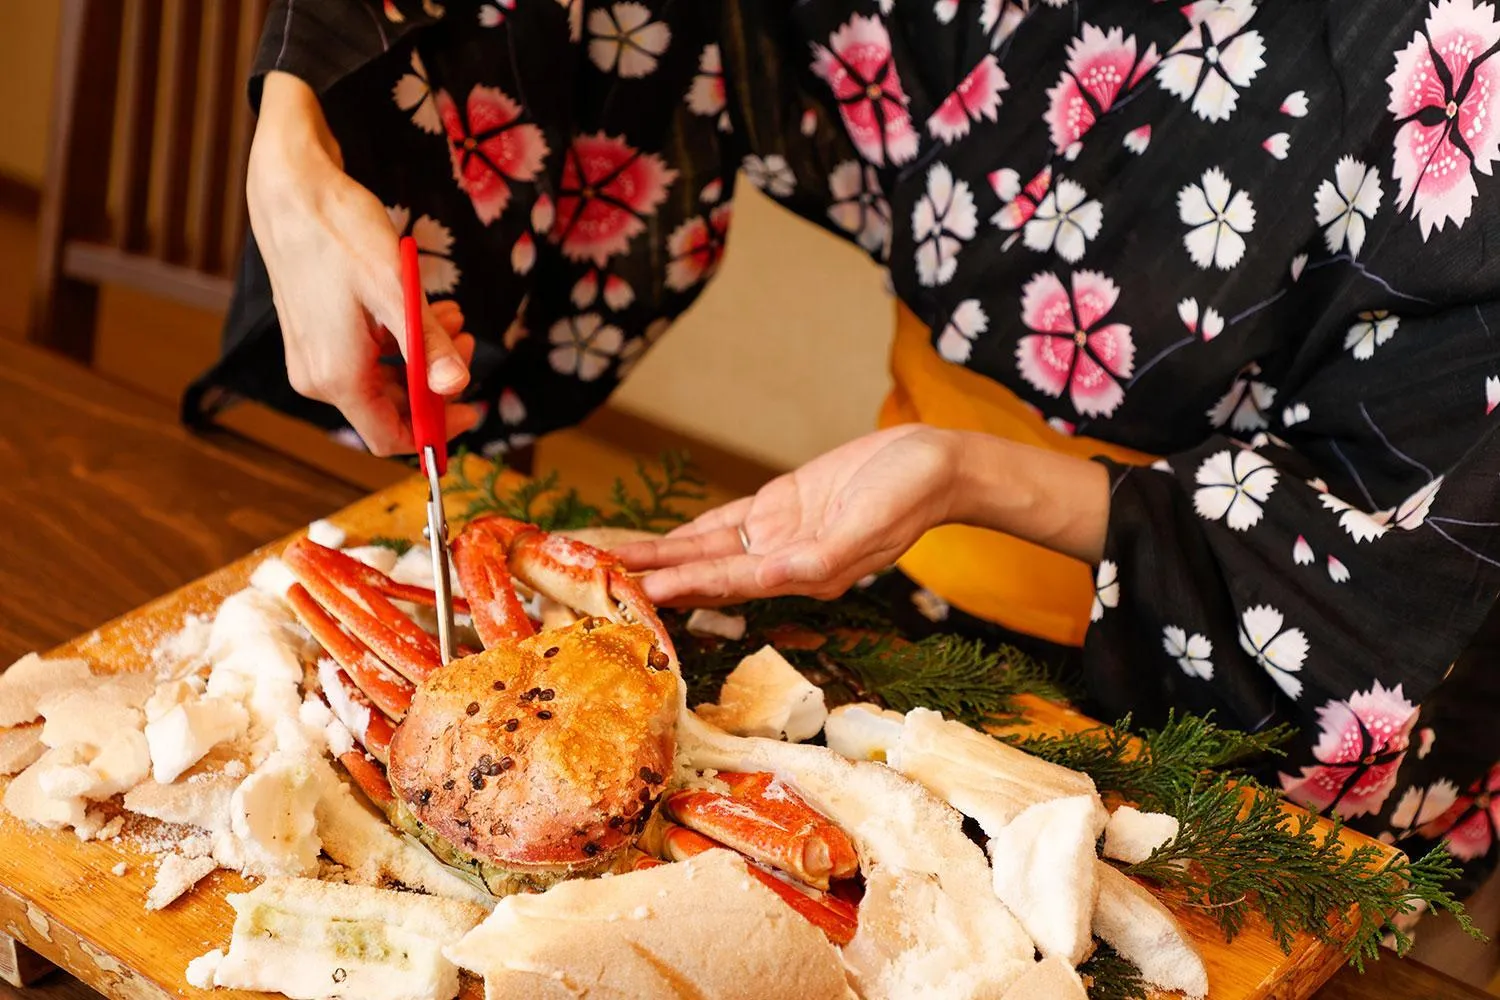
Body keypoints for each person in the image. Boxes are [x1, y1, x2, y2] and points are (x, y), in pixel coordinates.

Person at [193, 0, 1500, 902]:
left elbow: (1428, 586)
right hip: (877, 580)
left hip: (1246, 689)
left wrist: (982, 474)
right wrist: (300, 120)